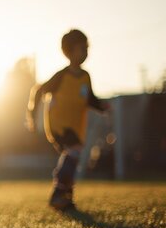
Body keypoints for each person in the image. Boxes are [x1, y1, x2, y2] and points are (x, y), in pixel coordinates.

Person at [27, 29, 109, 211]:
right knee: (74, 152)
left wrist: (102, 107)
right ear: (69, 51)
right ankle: (58, 193)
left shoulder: (86, 76)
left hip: (76, 126)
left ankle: (66, 197)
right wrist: (32, 114)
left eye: (87, 48)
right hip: (58, 124)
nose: (86, 52)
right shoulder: (62, 76)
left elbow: (90, 99)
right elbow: (40, 90)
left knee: (74, 156)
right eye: (82, 48)